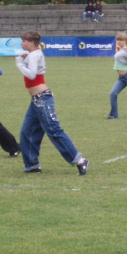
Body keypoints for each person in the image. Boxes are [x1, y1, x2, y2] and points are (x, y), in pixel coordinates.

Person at [16, 31, 89, 174]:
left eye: (24, 41)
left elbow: (31, 74)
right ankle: (32, 165)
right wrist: (25, 59)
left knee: (53, 130)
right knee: (27, 132)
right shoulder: (34, 54)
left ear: (31, 42)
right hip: (36, 100)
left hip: (42, 99)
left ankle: (80, 161)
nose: (21, 43)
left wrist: (19, 63)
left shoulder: (34, 54)